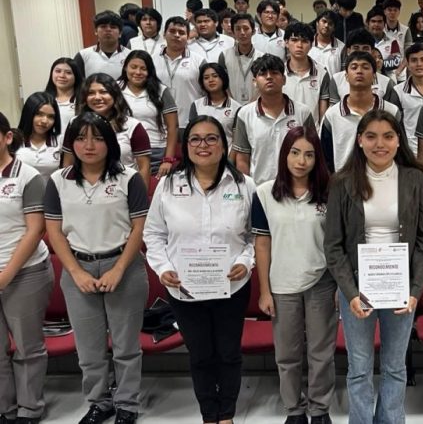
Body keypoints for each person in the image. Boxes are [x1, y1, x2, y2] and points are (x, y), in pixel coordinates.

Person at [324, 110, 423, 424]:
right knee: (359, 369)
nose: (379, 144)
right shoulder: (342, 183)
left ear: (399, 140)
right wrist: (350, 292)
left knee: (395, 367)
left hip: (402, 292)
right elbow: (333, 246)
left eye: (388, 136)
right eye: (371, 136)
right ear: (359, 140)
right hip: (357, 291)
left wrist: (414, 291)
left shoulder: (416, 179)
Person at [144, 115, 255, 424]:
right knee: (201, 354)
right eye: (195, 139)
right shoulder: (168, 185)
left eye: (211, 138)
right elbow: (153, 234)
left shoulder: (245, 185)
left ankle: (227, 414)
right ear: (185, 145)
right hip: (184, 288)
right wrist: (163, 268)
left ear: (224, 145)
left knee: (228, 353)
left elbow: (254, 235)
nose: (203, 145)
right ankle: (209, 413)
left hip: (231, 286)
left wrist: (245, 261)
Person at [44, 112, 149, 424]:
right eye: (80, 138)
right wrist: (76, 272)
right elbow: (54, 231)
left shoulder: (128, 178)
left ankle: (127, 404)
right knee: (89, 348)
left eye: (97, 137)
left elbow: (138, 229)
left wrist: (118, 270)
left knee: (126, 345)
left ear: (110, 143)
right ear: (71, 143)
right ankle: (99, 402)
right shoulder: (58, 181)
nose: (88, 145)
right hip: (79, 267)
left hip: (124, 265)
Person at [252, 126, 334, 424]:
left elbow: (338, 243)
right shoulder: (264, 193)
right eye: (295, 152)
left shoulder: (329, 191)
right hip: (282, 284)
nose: (301, 161)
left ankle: (319, 408)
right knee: (287, 354)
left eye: (309, 155)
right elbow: (262, 243)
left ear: (317, 159)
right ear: (284, 154)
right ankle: (295, 410)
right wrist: (264, 290)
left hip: (322, 282)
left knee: (320, 352)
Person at [0, 112, 53, 424]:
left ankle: (29, 409)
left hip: (25, 272)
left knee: (27, 347)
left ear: (8, 137)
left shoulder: (28, 176)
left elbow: (35, 230)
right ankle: (4, 408)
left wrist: (5, 275)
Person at [233, 54, 315, 184]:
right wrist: (246, 189)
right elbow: (242, 158)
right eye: (263, 74)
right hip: (258, 189)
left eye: (274, 73)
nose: (269, 77)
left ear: (284, 80)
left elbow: (312, 152)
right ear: (254, 81)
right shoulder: (245, 114)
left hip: (294, 188)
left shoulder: (303, 113)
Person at [63, 74, 152, 190]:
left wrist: (141, 197)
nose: (97, 97)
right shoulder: (74, 123)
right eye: (91, 93)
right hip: (83, 190)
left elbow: (144, 167)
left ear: (115, 95)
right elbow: (68, 162)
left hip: (122, 189)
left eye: (103, 92)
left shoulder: (133, 126)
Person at [321, 52, 401, 172]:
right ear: (346, 76)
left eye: (365, 67)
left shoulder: (391, 112)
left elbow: (400, 152)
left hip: (384, 180)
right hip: (345, 183)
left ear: (374, 76)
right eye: (354, 67)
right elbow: (326, 159)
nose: (359, 71)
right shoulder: (332, 115)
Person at [118, 50, 179, 176]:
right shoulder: (115, 89)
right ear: (125, 67)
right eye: (133, 67)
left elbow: (173, 126)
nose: (138, 72)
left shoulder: (161, 90)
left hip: (155, 152)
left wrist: (168, 159)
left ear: (149, 71)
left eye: (143, 68)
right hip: (123, 151)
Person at [152, 17, 207, 130]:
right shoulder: (151, 60)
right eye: (172, 31)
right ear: (164, 34)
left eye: (181, 33)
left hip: (190, 122)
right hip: (158, 124)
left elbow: (206, 92)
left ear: (187, 37)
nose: (176, 35)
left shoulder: (199, 61)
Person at [283, 22, 331, 121]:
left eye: (304, 41)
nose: (299, 45)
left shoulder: (322, 73)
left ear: (311, 44)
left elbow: (323, 113)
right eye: (294, 40)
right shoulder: (278, 73)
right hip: (285, 132)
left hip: (312, 134)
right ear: (286, 43)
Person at [189, 63, 242, 150]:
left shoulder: (236, 108)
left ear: (223, 78)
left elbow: (237, 142)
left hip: (226, 157)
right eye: (206, 78)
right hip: (202, 154)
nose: (211, 80)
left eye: (215, 76)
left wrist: (229, 162)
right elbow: (193, 135)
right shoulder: (196, 105)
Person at [15, 92, 63, 182]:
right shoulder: (14, 139)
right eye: (39, 114)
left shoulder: (60, 140)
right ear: (28, 113)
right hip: (19, 194)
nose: (45, 121)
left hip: (51, 194)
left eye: (51, 117)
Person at [219, 13, 264, 104]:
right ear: (233, 32)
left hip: (255, 104)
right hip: (231, 104)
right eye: (238, 29)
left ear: (253, 31)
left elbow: (263, 85)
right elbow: (222, 83)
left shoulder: (261, 57)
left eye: (246, 28)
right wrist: (232, 102)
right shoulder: (224, 55)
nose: (242, 32)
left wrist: (253, 103)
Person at [74, 10, 129, 79]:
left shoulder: (130, 55)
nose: (108, 30)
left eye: (113, 27)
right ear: (95, 31)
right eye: (103, 26)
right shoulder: (83, 56)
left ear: (120, 33)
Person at [44, 57, 83, 134]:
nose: (62, 75)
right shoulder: (43, 99)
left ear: (76, 76)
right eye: (58, 71)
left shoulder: (83, 100)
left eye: (68, 72)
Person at [309, 10, 344, 77]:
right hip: (312, 86)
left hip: (334, 86)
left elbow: (344, 72)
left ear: (334, 28)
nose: (326, 25)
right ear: (317, 23)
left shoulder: (341, 47)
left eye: (330, 23)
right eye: (324, 21)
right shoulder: (308, 44)